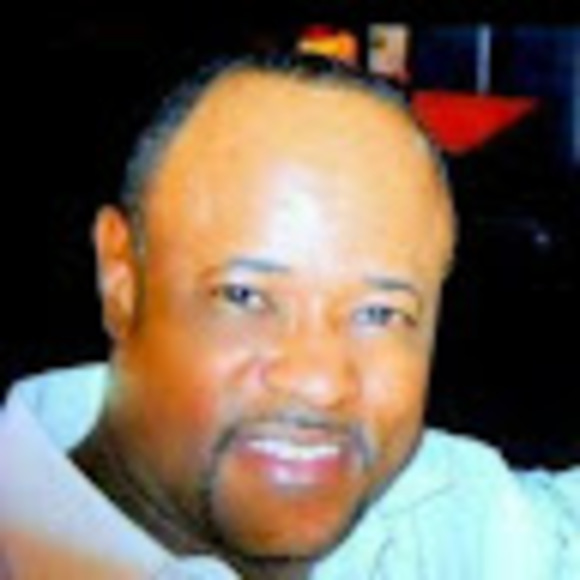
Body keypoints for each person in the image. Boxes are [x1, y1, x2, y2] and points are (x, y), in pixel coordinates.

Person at [0, 52, 578, 580]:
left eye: (380, 313)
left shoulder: (451, 514)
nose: (319, 382)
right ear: (121, 281)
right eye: (245, 297)